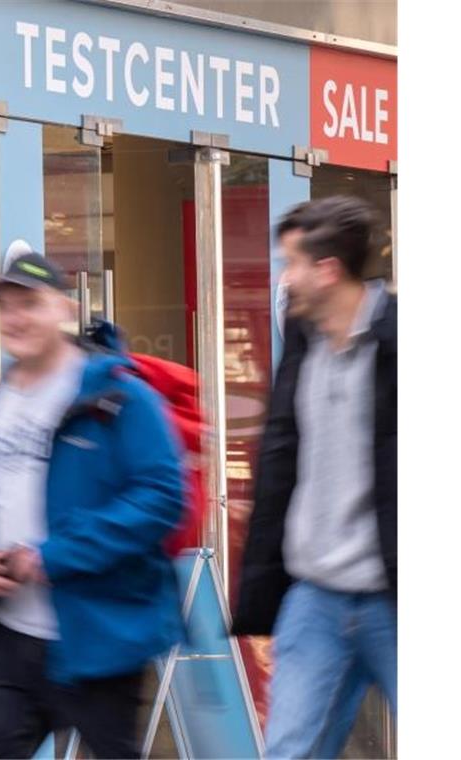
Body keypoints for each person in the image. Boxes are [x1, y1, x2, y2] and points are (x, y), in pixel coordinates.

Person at [0, 252, 186, 759]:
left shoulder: (119, 397)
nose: (15, 319)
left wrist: (55, 556)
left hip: (98, 633)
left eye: (30, 304)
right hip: (8, 638)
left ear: (64, 308)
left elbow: (161, 497)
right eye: (5, 307)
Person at [232, 196, 397, 759]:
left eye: (292, 264)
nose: (286, 279)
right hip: (315, 600)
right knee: (287, 751)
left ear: (327, 270)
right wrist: (262, 585)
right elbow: (280, 458)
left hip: (397, 601)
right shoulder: (303, 342)